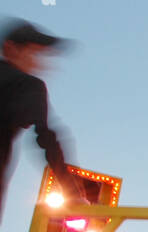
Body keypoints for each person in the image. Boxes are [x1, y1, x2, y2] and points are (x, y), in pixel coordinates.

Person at [1, 20, 87, 219]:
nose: (37, 62)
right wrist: (72, 192)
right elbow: (47, 137)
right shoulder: (27, 84)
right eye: (34, 53)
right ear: (10, 48)